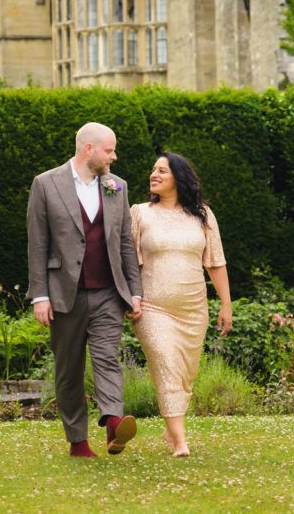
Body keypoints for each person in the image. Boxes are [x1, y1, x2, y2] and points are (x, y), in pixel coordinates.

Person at [26, 122, 143, 457]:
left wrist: (134, 292)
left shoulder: (116, 186)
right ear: (88, 149)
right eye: (109, 150)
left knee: (108, 359)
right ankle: (78, 441)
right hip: (65, 293)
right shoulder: (46, 185)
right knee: (69, 368)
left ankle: (114, 425)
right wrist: (40, 295)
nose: (114, 157)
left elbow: (125, 244)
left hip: (109, 291)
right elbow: (38, 244)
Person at [129, 152, 233, 457]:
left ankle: (171, 428)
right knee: (165, 364)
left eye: (162, 170)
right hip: (151, 307)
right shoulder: (140, 213)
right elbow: (129, 261)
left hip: (192, 309)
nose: (154, 174)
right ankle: (180, 440)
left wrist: (225, 305)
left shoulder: (202, 215)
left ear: (179, 176)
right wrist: (130, 297)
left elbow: (215, 263)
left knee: (185, 373)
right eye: (153, 170)